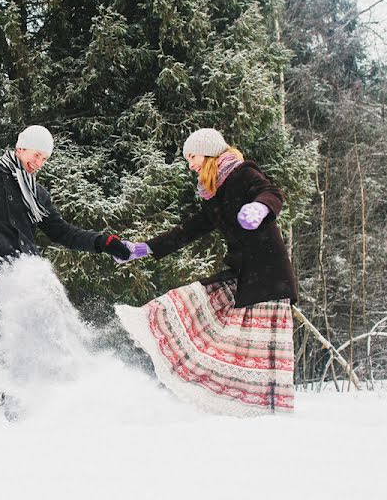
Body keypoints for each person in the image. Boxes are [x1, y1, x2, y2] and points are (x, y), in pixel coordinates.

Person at [114, 128, 297, 416]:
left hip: (267, 276)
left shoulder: (242, 173)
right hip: (241, 274)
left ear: (210, 153)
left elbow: (271, 192)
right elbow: (188, 231)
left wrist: (260, 208)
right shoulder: (215, 194)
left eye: (193, 157)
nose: (191, 165)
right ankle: (229, 403)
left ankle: (259, 412)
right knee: (191, 310)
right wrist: (145, 248)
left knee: (253, 350)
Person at [0, 125, 131, 297]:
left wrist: (102, 242)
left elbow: (62, 232)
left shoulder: (37, 194)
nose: (39, 163)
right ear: (20, 148)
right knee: (2, 336)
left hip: (28, 274)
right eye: (37, 154)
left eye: (45, 159)